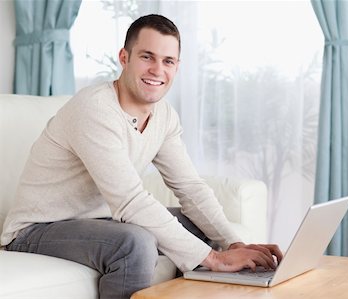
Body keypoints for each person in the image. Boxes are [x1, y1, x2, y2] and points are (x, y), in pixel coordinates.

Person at [1, 14, 282, 299]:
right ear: (124, 57)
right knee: (134, 243)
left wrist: (234, 244)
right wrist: (215, 258)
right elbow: (129, 201)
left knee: (196, 224)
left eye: (168, 61)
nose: (157, 70)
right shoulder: (94, 109)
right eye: (147, 57)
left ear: (177, 66)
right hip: (36, 230)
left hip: (99, 221)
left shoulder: (163, 116)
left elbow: (189, 187)